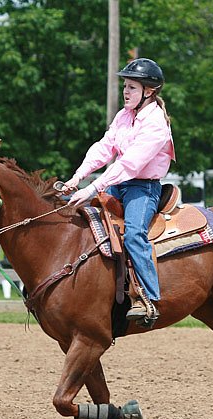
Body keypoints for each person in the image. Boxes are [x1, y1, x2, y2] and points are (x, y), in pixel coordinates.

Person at [62, 58, 175, 322]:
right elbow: (103, 148)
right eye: (125, 85)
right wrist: (77, 177)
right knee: (84, 224)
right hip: (119, 183)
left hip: (143, 188)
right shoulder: (124, 116)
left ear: (149, 91)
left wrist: (92, 189)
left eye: (132, 87)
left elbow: (130, 164)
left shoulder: (156, 123)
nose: (125, 91)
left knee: (134, 233)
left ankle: (149, 298)